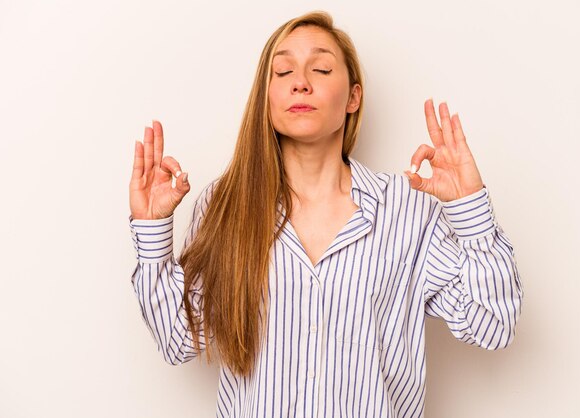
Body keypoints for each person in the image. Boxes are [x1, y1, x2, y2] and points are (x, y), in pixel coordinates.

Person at [128, 10, 523, 418]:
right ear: (266, 99)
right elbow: (178, 340)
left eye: (320, 68)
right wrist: (152, 229)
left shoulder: (408, 212)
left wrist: (468, 205)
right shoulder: (224, 205)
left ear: (353, 97)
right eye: (282, 72)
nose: (300, 81)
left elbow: (493, 325)